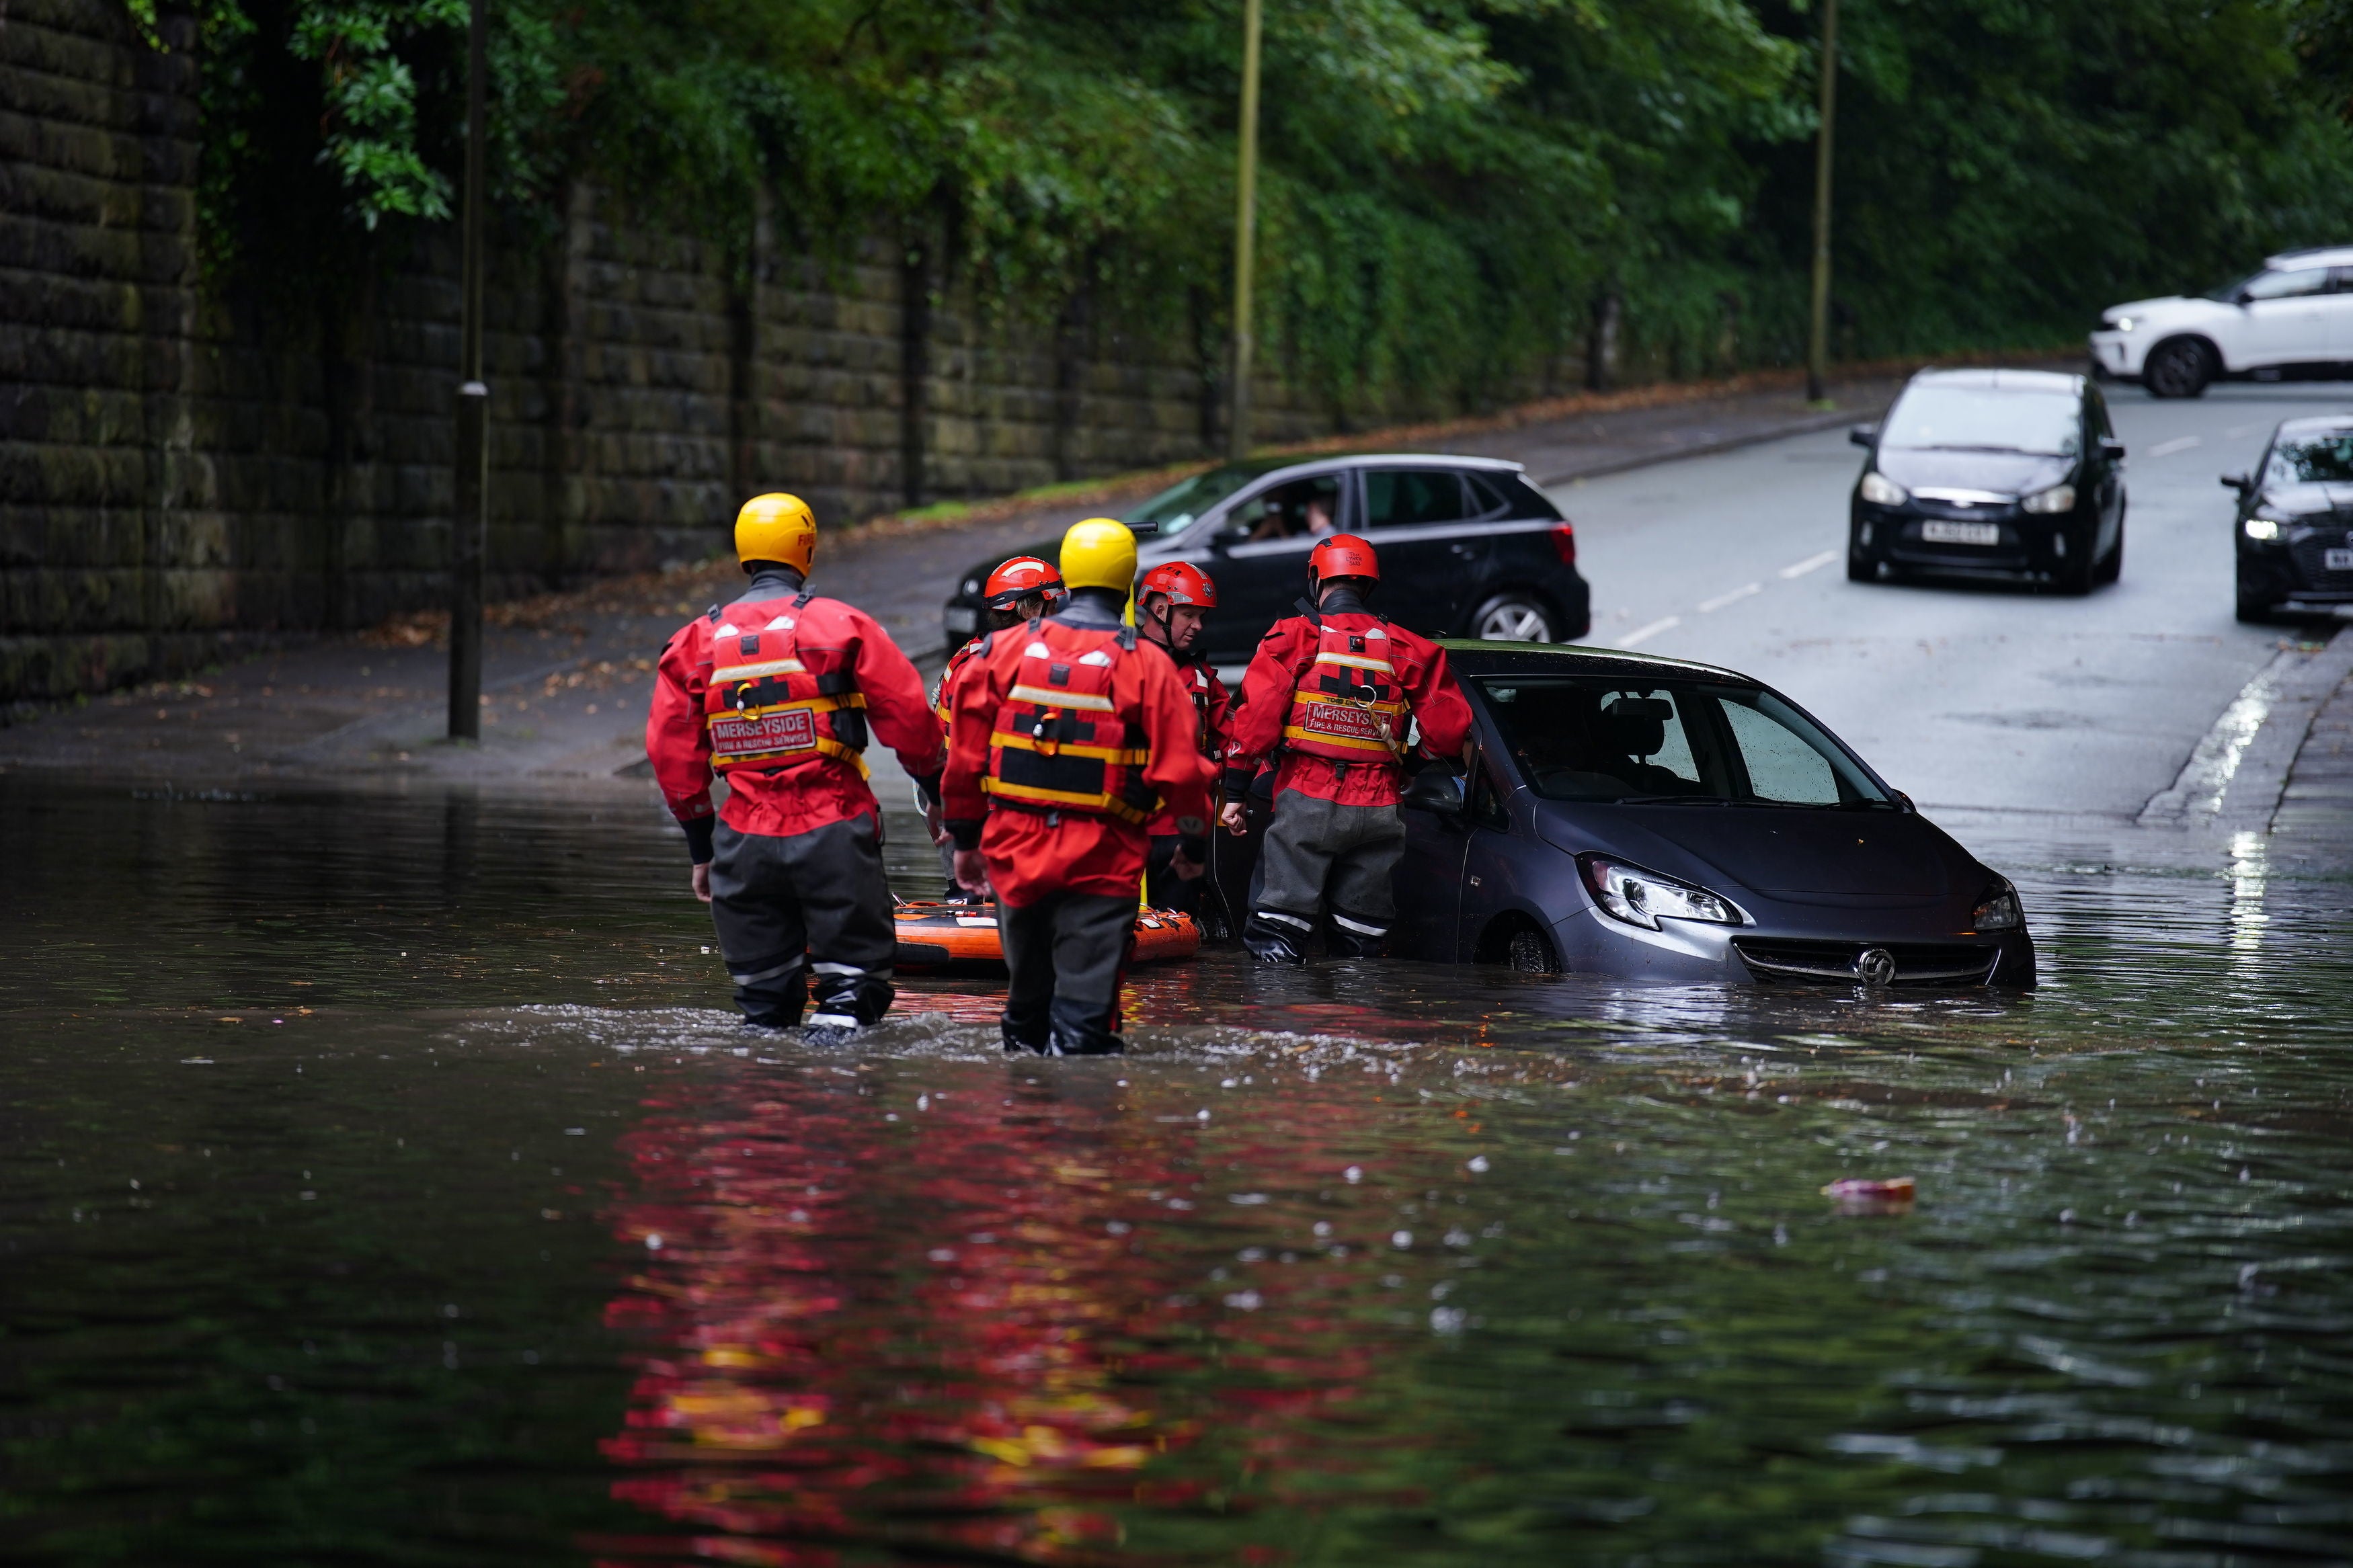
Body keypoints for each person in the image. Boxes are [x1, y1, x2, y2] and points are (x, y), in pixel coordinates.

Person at [645, 492, 947, 1042]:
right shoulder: (839, 624)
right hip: (833, 828)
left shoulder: (695, 641)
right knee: (853, 996)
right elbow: (908, 716)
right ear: (805, 548)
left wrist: (701, 847)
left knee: (764, 1009)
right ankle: (835, 1102)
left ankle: (767, 1113)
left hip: (740, 843)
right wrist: (939, 791)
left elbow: (670, 753)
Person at [941, 518, 1213, 1055]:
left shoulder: (997, 654)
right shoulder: (1147, 666)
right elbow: (1183, 773)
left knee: (1026, 1006)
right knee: (1087, 1021)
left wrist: (966, 842)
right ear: (1129, 584)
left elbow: (964, 759)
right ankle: (1082, 1123)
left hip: (1015, 854)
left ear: (1067, 579)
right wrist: (1192, 847)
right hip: (1101, 861)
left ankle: (1024, 1113)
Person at [1220, 532, 1474, 964]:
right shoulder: (1408, 648)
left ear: (1317, 579)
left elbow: (1255, 721)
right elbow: (1449, 733)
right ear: (1369, 586)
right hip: (1381, 809)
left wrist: (1236, 794)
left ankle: (1283, 1027)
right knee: (1360, 944)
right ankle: (1358, 1024)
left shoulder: (1293, 638)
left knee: (1279, 931)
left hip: (1307, 799)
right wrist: (1411, 764)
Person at [928, 556, 1066, 899]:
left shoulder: (974, 655)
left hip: (969, 810)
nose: (1058, 619)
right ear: (1029, 610)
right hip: (989, 815)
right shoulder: (998, 666)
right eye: (1052, 608)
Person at [1133, 561, 1230, 923]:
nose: (1198, 626)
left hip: (1181, 833)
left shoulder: (1203, 680)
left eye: (1201, 617)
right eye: (1189, 615)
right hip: (1126, 826)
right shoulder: (1119, 664)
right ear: (1160, 609)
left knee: (1180, 936)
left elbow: (1234, 740)